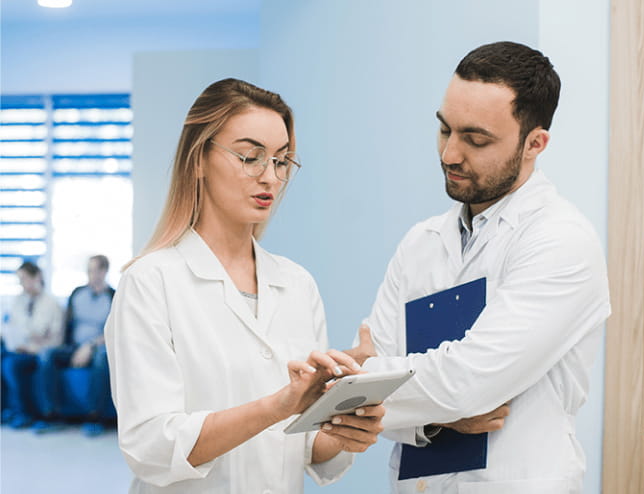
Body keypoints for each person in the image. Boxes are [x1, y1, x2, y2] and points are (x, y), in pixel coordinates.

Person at [347, 41, 611, 493]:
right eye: (444, 130)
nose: (449, 154)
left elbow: (466, 383)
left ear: (535, 143)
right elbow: (367, 412)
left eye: (475, 139)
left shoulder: (562, 241)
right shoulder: (420, 243)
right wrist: (426, 419)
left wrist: (361, 381)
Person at [104, 78, 385, 493]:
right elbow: (151, 446)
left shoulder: (297, 284)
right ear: (198, 159)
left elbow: (304, 444)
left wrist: (345, 421)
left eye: (282, 160)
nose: (270, 176)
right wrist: (278, 405)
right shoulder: (150, 282)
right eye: (251, 156)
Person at [34, 254, 115, 436]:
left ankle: (95, 417)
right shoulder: (77, 294)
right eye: (89, 270)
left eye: (96, 270)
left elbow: (115, 330)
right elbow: (67, 324)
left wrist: (90, 346)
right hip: (73, 347)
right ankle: (51, 414)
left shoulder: (113, 296)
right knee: (46, 355)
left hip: (98, 347)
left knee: (101, 357)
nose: (92, 274)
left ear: (104, 271)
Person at [1, 261, 63, 428]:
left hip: (38, 352)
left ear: (37, 277)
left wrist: (34, 346)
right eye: (19, 279)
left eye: (24, 278)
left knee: (10, 365)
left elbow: (56, 339)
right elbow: (11, 327)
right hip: (19, 349)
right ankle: (7, 410)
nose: (21, 283)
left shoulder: (51, 303)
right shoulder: (17, 302)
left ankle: (23, 412)